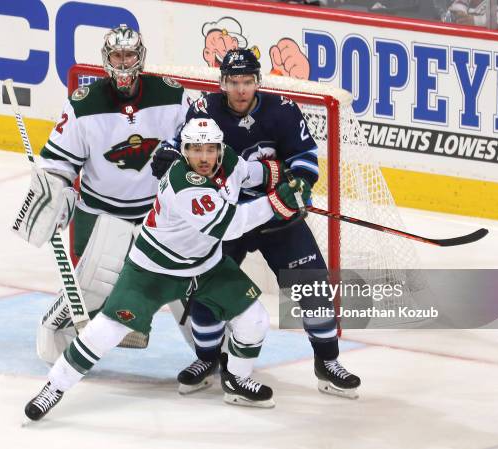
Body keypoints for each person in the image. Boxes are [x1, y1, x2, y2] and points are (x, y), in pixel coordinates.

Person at [23, 118, 312, 419]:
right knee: (106, 330)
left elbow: (246, 173)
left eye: (210, 149)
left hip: (206, 266)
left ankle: (237, 380)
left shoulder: (226, 158)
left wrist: (280, 175)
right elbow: (230, 226)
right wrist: (279, 202)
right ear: (184, 151)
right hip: (153, 270)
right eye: (195, 149)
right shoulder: (183, 183)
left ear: (219, 148)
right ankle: (55, 387)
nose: (203, 157)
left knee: (254, 319)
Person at [151, 49, 361, 399]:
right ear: (222, 83)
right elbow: (180, 149)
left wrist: (297, 186)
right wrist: (168, 155)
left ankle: (327, 362)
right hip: (225, 220)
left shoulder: (282, 110)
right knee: (205, 289)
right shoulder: (205, 111)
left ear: (257, 82)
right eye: (233, 82)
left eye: (247, 82)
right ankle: (207, 359)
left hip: (276, 216)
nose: (241, 90)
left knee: (314, 287)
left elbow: (305, 162)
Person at [11, 24, 194, 363]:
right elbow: (58, 164)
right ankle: (63, 359)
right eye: (117, 55)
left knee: (188, 291)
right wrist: (54, 195)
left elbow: (201, 144)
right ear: (106, 59)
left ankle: (212, 355)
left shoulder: (171, 95)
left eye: (129, 55)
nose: (123, 63)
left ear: (140, 58)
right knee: (87, 297)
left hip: (158, 217)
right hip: (101, 217)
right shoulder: (84, 104)